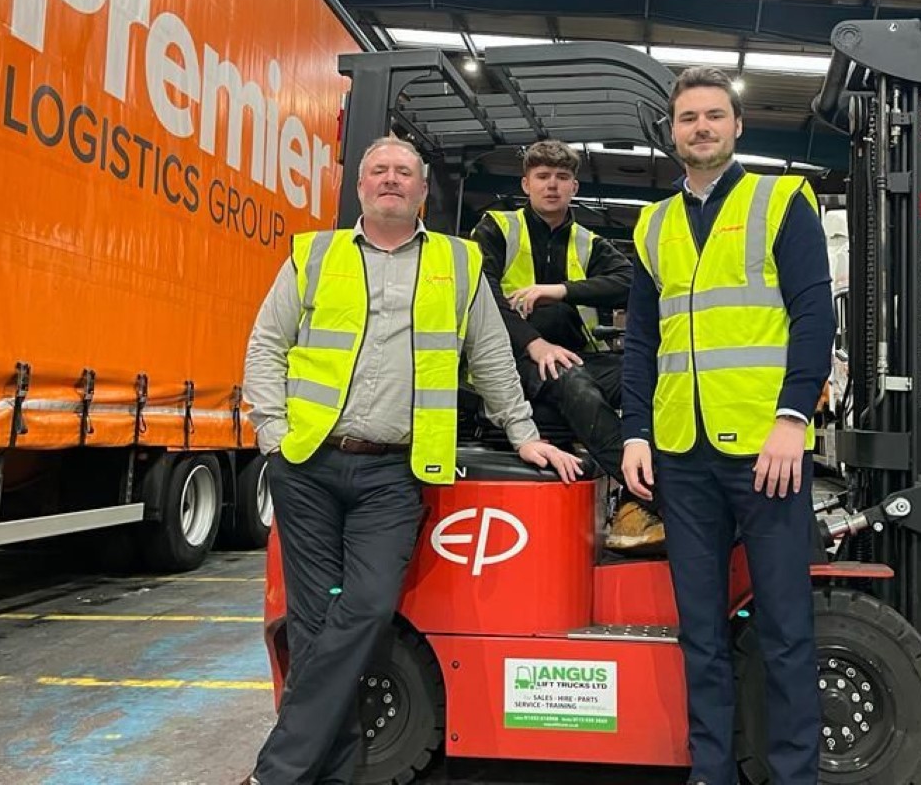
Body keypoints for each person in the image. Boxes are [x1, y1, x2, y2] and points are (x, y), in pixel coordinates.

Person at [241, 136, 583, 785]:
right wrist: (273, 433)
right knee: (313, 629)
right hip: (308, 465)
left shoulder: (456, 264)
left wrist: (524, 433)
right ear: (362, 187)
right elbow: (266, 345)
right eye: (379, 171)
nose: (391, 180)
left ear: (423, 191)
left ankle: (278, 773)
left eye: (404, 172)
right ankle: (331, 776)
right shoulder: (315, 255)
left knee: (367, 609)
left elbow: (489, 356)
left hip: (394, 473)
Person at [621, 67, 834, 785]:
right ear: (672, 132)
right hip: (682, 455)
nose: (701, 127)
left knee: (784, 629)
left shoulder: (781, 202)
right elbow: (640, 343)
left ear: (738, 126)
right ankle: (709, 772)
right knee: (702, 633)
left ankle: (793, 774)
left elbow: (814, 318)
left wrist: (791, 418)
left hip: (767, 453)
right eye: (688, 118)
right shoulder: (652, 225)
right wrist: (634, 432)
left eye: (714, 115)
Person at [472, 139, 664, 552]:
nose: (552, 186)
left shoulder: (588, 242)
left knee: (650, 375)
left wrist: (559, 290)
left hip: (576, 355)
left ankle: (637, 499)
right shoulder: (496, 229)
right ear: (526, 183)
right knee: (574, 383)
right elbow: (480, 296)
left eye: (561, 178)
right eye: (543, 177)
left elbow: (631, 283)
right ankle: (661, 497)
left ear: (574, 186)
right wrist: (534, 344)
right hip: (513, 362)